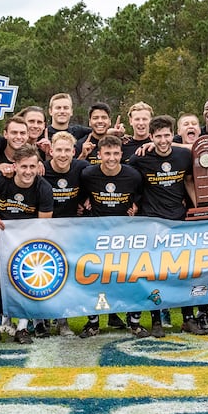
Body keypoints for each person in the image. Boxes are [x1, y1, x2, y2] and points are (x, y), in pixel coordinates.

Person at [0, 144, 54, 345]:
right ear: (14, 165)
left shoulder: (43, 188)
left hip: (25, 238)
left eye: (32, 167)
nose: (28, 171)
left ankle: (22, 328)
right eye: (24, 166)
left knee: (26, 275)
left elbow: (43, 223)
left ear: (38, 166)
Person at [128, 115, 196, 338]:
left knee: (183, 272)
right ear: (151, 137)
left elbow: (188, 180)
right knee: (155, 274)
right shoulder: (140, 158)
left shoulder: (183, 155)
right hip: (152, 222)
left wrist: (196, 207)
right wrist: (133, 204)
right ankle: (156, 320)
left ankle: (188, 319)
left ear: (172, 135)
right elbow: (127, 179)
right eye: (158, 136)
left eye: (167, 135)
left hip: (179, 220)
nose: (163, 140)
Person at [79, 135, 144, 336]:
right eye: (107, 153)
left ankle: (134, 322)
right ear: (99, 155)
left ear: (121, 154)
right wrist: (84, 200)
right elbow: (79, 193)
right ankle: (93, 323)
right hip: (95, 234)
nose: (111, 158)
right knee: (94, 279)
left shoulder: (133, 175)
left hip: (125, 234)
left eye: (116, 153)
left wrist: (137, 205)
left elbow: (142, 195)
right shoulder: (88, 174)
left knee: (131, 278)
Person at [41, 131, 91, 337]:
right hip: (45, 229)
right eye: (58, 150)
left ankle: (63, 321)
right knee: (45, 275)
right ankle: (41, 320)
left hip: (71, 230)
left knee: (65, 277)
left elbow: (99, 177)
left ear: (74, 152)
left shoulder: (82, 167)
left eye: (67, 150)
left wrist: (87, 199)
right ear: (51, 151)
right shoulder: (40, 169)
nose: (62, 155)